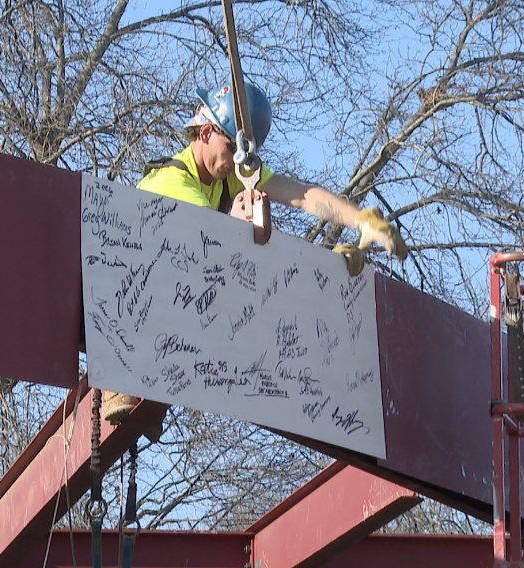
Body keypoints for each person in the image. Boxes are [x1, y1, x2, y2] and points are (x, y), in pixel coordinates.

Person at [101, 82, 410, 423]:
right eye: (231, 148)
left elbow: (301, 194)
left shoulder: (225, 177)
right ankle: (124, 379)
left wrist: (360, 220)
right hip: (140, 309)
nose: (237, 161)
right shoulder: (168, 183)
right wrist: (241, 224)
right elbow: (213, 243)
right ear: (205, 132)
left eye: (243, 153)